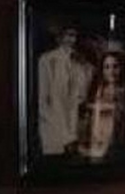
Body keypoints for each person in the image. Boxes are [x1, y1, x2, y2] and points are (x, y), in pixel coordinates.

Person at [37, 26, 94, 155]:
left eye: (74, 36)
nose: (72, 40)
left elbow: (82, 95)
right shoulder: (47, 60)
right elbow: (43, 100)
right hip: (53, 127)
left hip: (74, 127)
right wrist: (60, 131)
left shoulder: (80, 63)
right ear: (59, 37)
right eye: (68, 35)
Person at [77, 49, 125, 160]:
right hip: (96, 140)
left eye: (115, 66)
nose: (111, 71)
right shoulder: (97, 90)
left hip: (115, 143)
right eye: (107, 67)